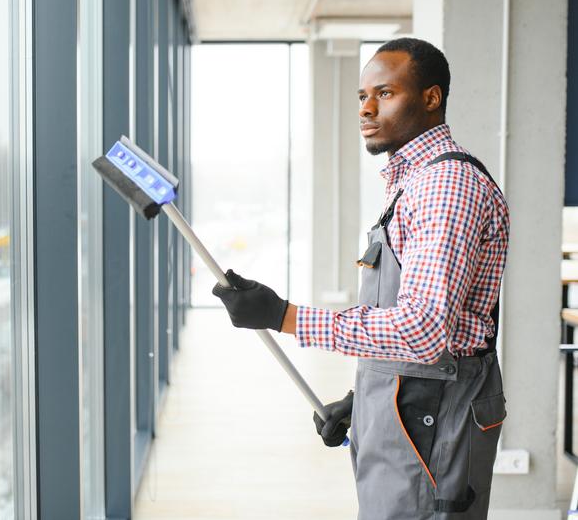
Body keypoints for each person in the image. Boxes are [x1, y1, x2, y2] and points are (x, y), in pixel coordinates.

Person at [212, 37, 509, 520]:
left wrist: (284, 316)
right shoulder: (412, 182)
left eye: (385, 94)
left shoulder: (444, 185)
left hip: (432, 417)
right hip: (406, 409)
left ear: (431, 98)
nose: (367, 108)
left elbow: (423, 329)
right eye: (361, 96)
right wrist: (364, 399)